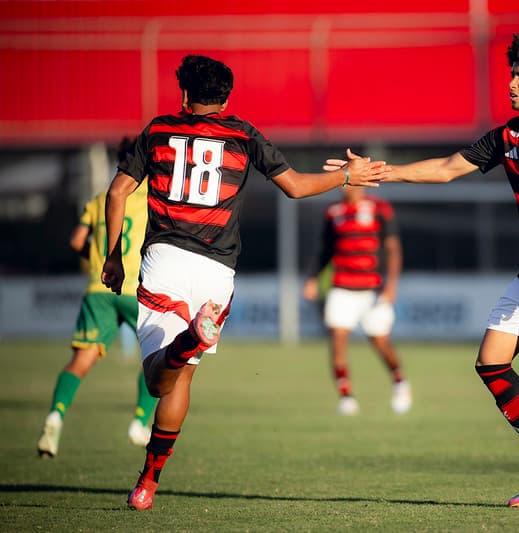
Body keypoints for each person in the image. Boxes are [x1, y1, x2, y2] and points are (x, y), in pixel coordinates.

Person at [326, 26, 519, 509]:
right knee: (490, 362)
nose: (511, 84)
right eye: (511, 75)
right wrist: (383, 172)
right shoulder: (510, 135)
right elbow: (447, 167)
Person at [101, 54, 388, 511]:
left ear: (183, 95)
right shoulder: (243, 134)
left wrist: (113, 256)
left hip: (166, 258)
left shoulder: (156, 130)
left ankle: (187, 341)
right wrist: (345, 176)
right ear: (227, 97)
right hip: (217, 272)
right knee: (182, 380)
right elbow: (294, 187)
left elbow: (117, 192)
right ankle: (148, 483)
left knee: (159, 381)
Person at [37, 140, 157, 458]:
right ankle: (139, 422)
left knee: (80, 362)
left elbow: (77, 240)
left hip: (99, 289)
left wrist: (93, 260)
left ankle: (55, 415)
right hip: (135, 289)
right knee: (158, 358)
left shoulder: (101, 199)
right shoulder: (148, 198)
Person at [302, 186, 411, 416]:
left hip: (373, 289)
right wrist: (312, 278)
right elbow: (326, 250)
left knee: (380, 341)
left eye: (350, 180)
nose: (346, 186)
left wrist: (391, 285)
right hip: (342, 287)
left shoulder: (379, 208)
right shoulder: (334, 212)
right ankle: (346, 397)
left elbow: (393, 248)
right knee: (338, 339)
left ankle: (400, 382)